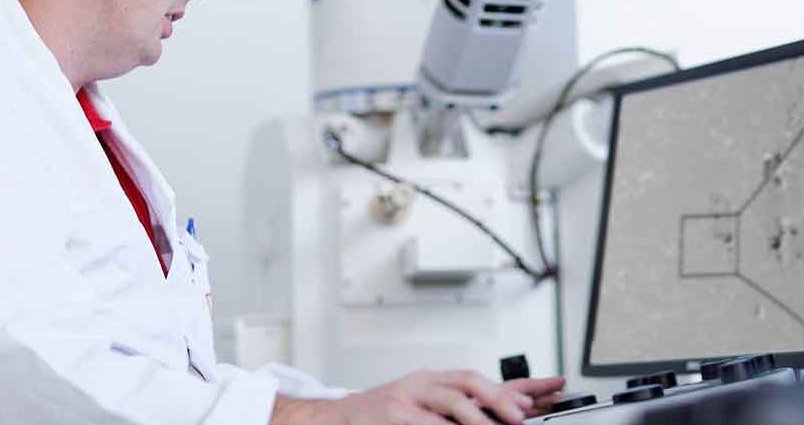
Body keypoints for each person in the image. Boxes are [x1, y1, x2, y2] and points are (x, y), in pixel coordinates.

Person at [0, 0, 566, 423]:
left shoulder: (77, 115)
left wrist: (391, 408)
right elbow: (28, 365)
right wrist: (304, 417)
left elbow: (168, 373)